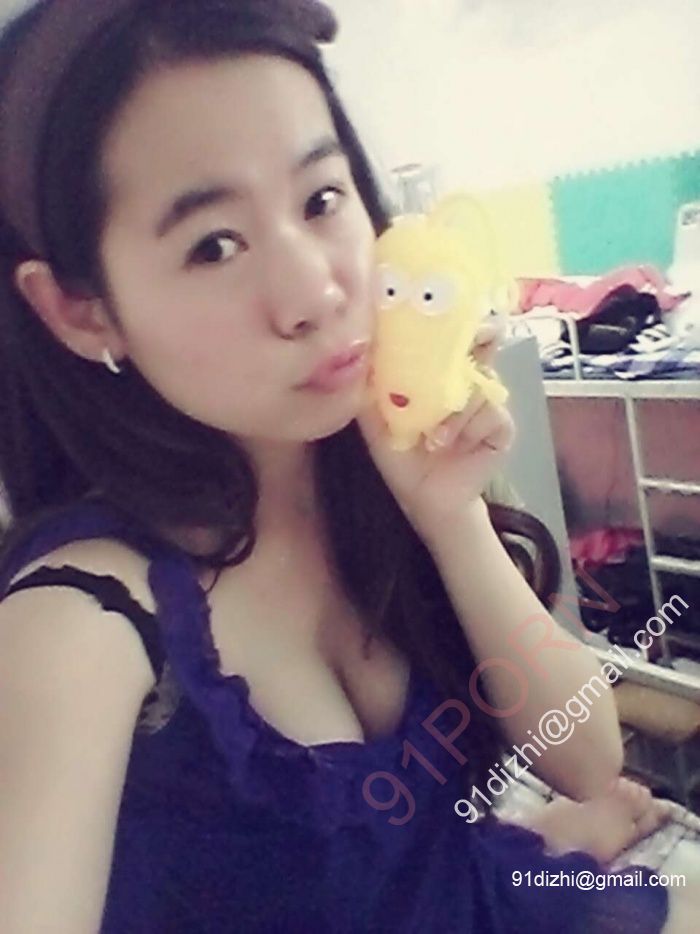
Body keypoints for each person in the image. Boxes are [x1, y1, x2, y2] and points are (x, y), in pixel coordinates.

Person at [0, 1, 693, 931]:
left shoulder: (375, 479)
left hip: (475, 892)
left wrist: (451, 520)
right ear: (82, 311)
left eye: (321, 201)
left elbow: (585, 755)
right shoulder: (75, 627)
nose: (317, 291)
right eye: (214, 245)